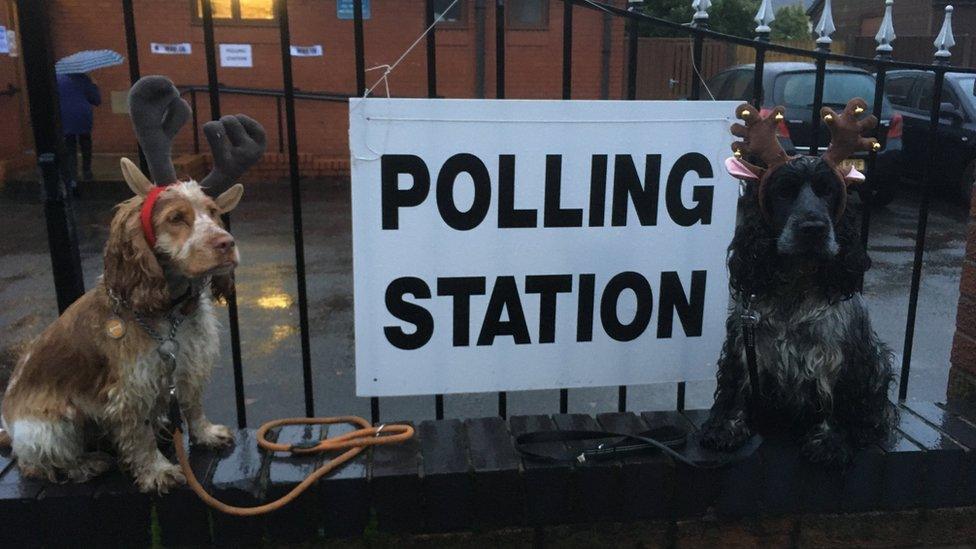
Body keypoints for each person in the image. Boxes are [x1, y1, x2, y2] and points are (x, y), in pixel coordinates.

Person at [57, 72, 101, 191]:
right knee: (85, 143)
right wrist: (94, 85)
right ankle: (86, 172)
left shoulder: (57, 79)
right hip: (82, 116)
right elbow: (96, 100)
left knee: (70, 147)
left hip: (64, 117)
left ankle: (72, 179)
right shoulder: (84, 79)